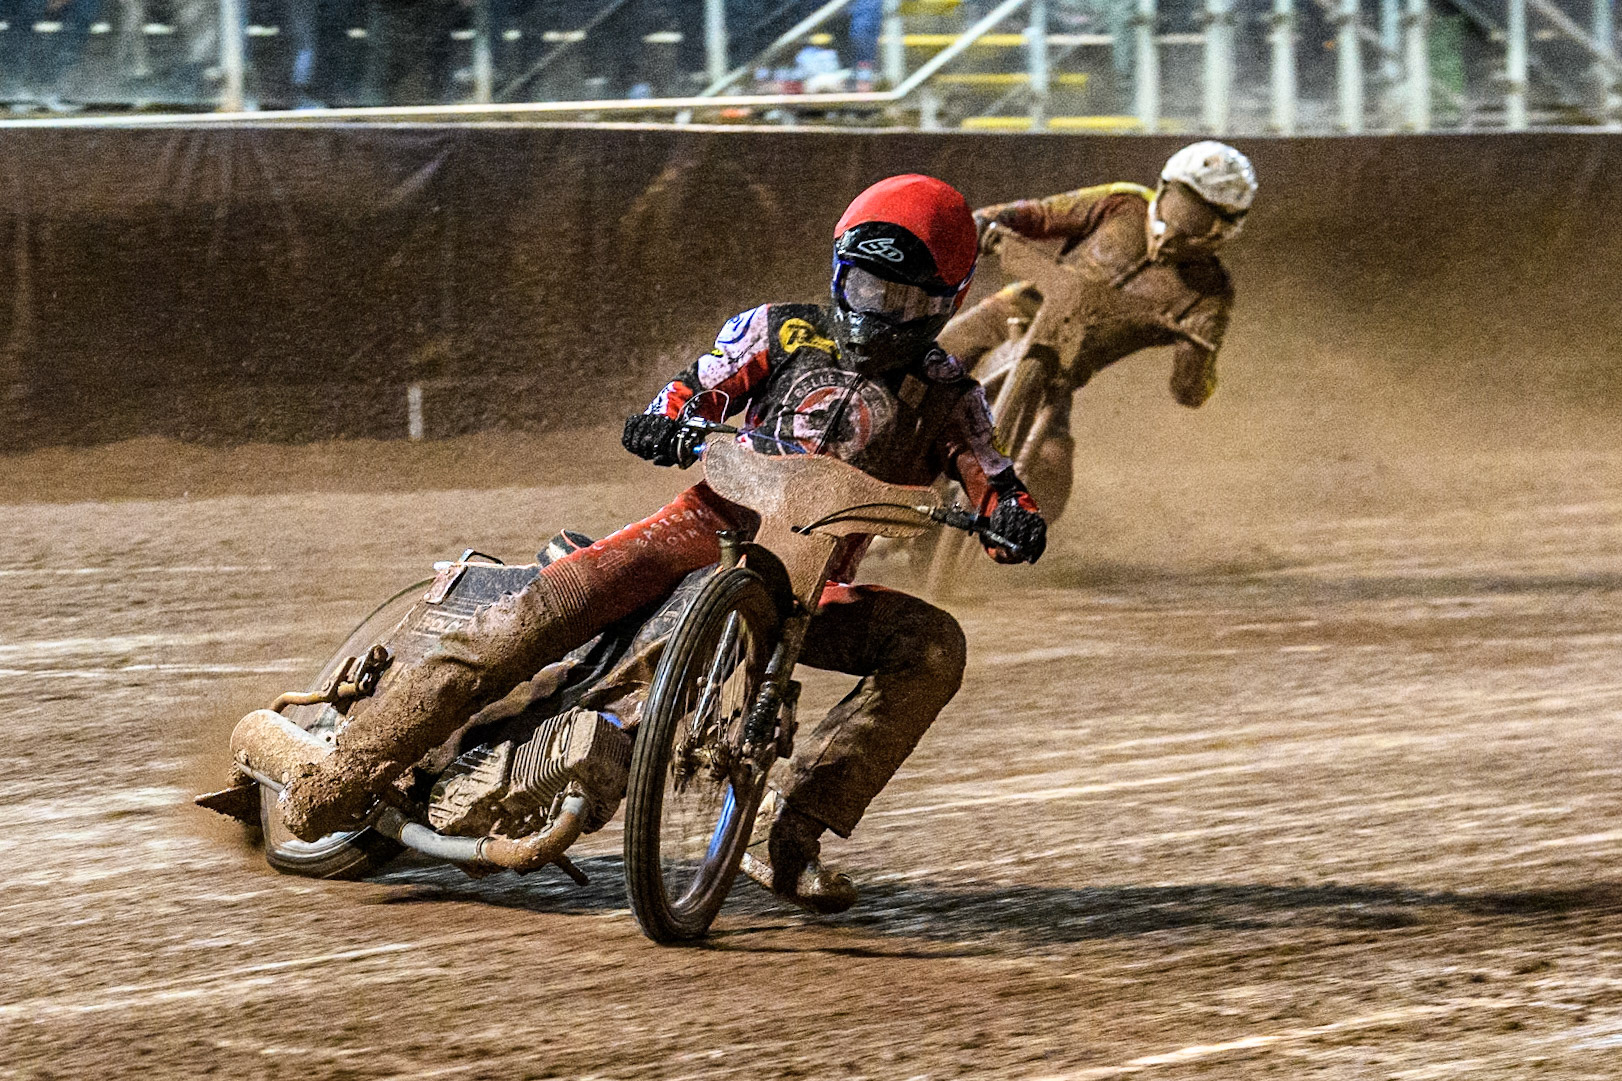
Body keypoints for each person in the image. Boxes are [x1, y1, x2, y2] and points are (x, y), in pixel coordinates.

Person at [251, 174, 1048, 915]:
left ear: (947, 302)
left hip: (810, 591)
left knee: (934, 644)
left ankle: (788, 829)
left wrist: (1013, 519)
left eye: (902, 297)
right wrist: (663, 417)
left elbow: (995, 474)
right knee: (543, 608)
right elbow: (695, 382)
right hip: (698, 533)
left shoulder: (951, 396)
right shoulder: (781, 327)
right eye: (865, 285)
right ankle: (351, 763)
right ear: (841, 272)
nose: (876, 309)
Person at [937, 141, 1257, 522]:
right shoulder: (1123, 203)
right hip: (1008, 315)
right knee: (913, 371)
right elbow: (1038, 214)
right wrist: (986, 225)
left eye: (1194, 217)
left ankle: (952, 535)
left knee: (1050, 482)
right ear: (1163, 186)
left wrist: (1197, 356)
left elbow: (1190, 390)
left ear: (1223, 229)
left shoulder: (1209, 294)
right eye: (1177, 204)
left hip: (1055, 376)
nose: (1176, 224)